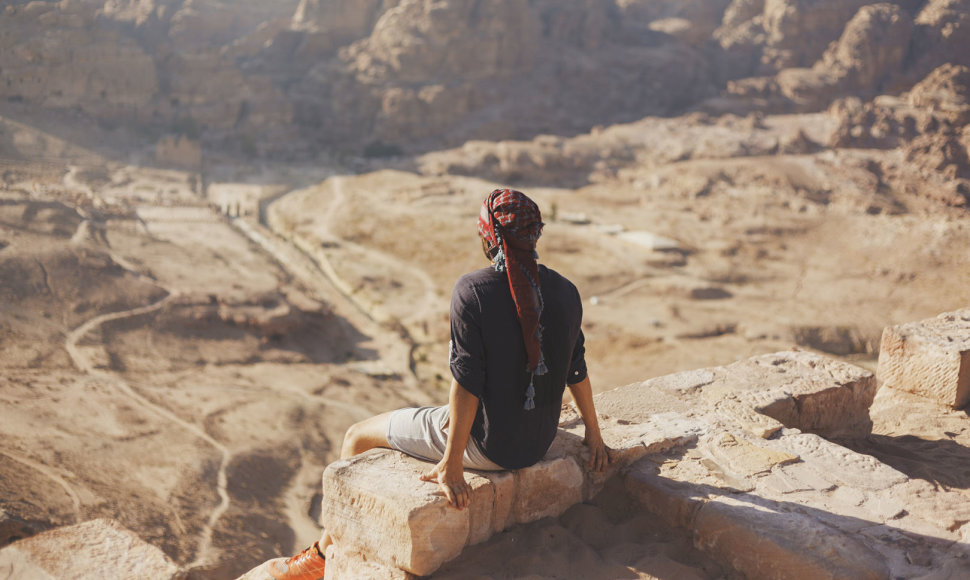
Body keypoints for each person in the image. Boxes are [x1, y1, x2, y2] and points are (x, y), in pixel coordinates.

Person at [267, 188, 610, 580]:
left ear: (489, 238)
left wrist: (451, 464)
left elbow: (467, 384)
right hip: (540, 439)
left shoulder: (473, 292)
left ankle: (321, 556)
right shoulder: (566, 292)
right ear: (536, 235)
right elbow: (576, 369)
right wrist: (594, 437)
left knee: (357, 437)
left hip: (492, 447)